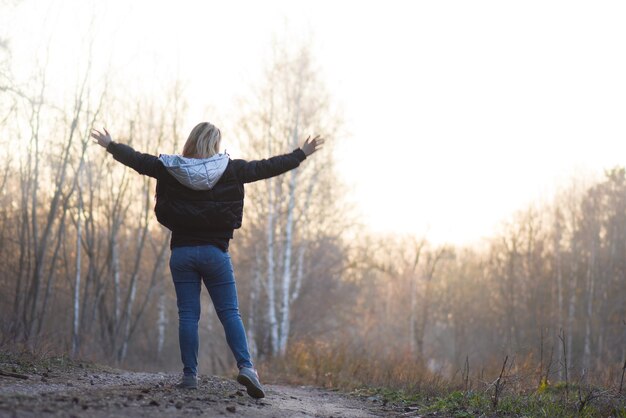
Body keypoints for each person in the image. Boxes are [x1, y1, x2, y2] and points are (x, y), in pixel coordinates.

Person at [91, 122, 324, 398]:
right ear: (215, 143)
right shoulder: (232, 169)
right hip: (215, 253)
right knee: (230, 313)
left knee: (188, 315)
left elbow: (139, 161)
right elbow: (267, 167)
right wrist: (301, 153)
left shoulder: (171, 167)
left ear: (191, 141)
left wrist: (111, 145)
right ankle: (247, 367)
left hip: (183, 253)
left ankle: (190, 375)